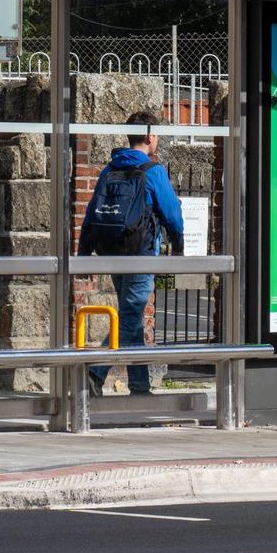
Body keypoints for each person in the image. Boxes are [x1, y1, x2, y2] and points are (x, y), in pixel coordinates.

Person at [78, 111, 185, 395]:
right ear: (150, 136)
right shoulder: (153, 171)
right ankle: (94, 371)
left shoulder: (110, 169)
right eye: (157, 135)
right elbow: (172, 215)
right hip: (140, 253)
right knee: (128, 318)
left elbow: (90, 214)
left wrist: (83, 252)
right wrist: (179, 246)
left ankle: (139, 386)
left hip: (113, 252)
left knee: (132, 318)